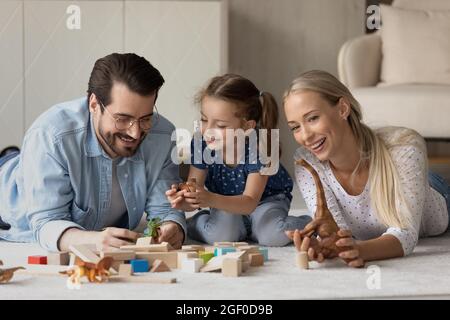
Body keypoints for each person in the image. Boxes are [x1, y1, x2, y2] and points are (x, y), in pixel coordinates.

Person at [0, 53, 186, 252]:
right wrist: (92, 241)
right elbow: (47, 222)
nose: (135, 132)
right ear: (94, 104)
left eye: (146, 119)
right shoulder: (50, 135)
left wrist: (172, 228)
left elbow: (164, 210)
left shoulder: (163, 135)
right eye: (123, 119)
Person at [283, 70, 449, 267]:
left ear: (343, 108)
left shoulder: (404, 146)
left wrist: (358, 250)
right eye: (295, 127)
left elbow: (406, 233)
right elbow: (339, 233)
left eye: (312, 118)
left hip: (436, 192)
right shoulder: (306, 162)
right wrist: (328, 245)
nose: (305, 136)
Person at [166, 74, 311, 246]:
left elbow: (250, 202)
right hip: (224, 203)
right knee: (221, 236)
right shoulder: (201, 143)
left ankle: (308, 223)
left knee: (271, 236)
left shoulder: (261, 148)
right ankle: (200, 223)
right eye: (204, 120)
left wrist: (209, 199)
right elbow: (193, 186)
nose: (208, 131)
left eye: (220, 125)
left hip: (265, 202)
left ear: (247, 126)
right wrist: (186, 200)